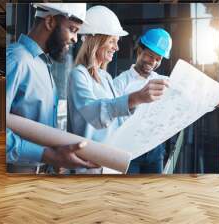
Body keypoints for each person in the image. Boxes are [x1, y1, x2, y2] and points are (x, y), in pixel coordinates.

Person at [67, 6, 169, 174]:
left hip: (110, 162)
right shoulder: (79, 75)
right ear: (96, 40)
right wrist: (135, 98)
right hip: (89, 165)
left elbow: (117, 123)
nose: (117, 47)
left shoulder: (105, 78)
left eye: (117, 42)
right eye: (112, 41)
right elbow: (93, 113)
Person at [6, 3, 97, 172]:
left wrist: (55, 156)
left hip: (42, 170)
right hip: (19, 174)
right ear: (49, 22)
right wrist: (47, 155)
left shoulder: (42, 64)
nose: (75, 39)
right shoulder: (17, 60)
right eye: (72, 29)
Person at [113, 28, 172, 174]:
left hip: (155, 151)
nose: (153, 62)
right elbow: (110, 115)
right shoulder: (120, 83)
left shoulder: (163, 81)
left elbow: (188, 94)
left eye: (158, 59)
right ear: (139, 50)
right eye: (150, 56)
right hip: (127, 151)